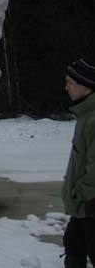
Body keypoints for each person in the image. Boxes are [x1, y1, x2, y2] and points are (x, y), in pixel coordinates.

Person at [62, 58, 95, 268]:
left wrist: (80, 192)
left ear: (84, 86)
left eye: (69, 82)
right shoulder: (86, 115)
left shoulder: (93, 119)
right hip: (84, 201)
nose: (65, 87)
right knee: (74, 244)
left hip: (91, 202)